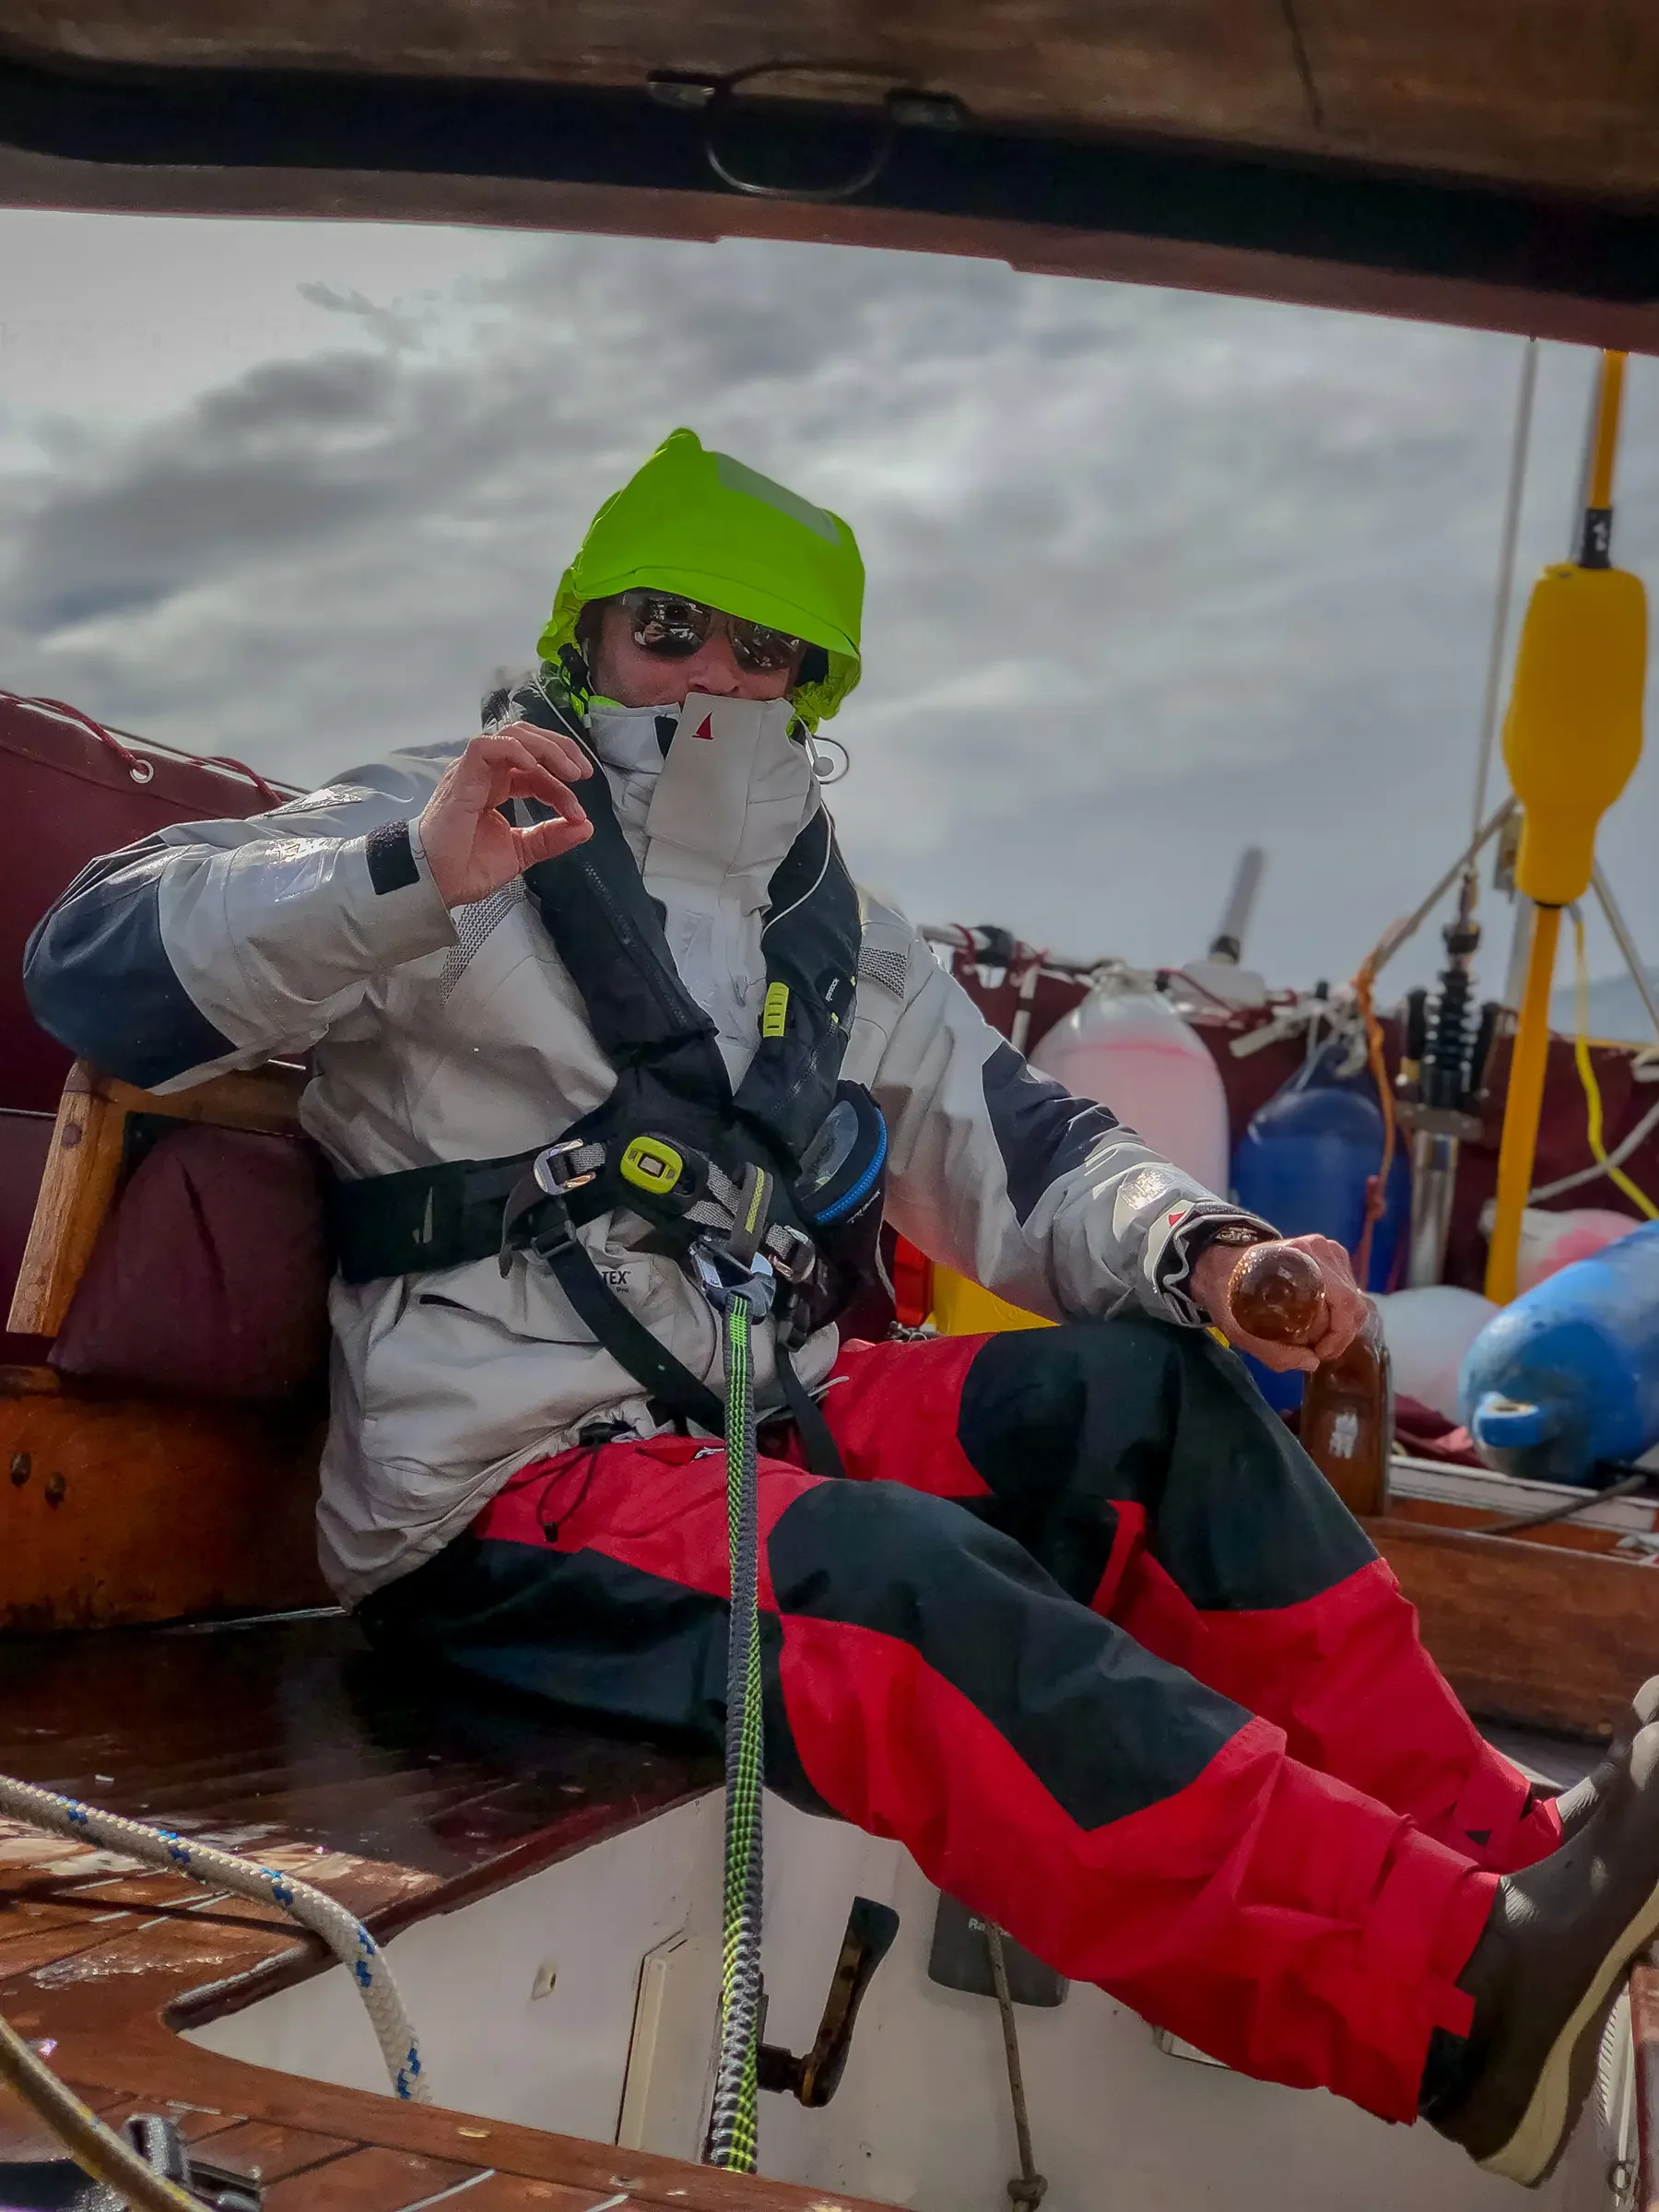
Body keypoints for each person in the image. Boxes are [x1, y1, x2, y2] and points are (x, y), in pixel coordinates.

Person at [24, 427, 1659, 2184]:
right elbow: (101, 962)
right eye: (673, 628)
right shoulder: (443, 818)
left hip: (764, 1414)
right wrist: (410, 873)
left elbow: (1023, 1151)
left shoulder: (837, 925)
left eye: (767, 650)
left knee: (1151, 1398)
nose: (717, 677)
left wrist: (1202, 1251)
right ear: (587, 631)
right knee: (901, 1586)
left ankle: (1497, 1854)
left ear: (816, 684)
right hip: (506, 1493)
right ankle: (1458, 2007)